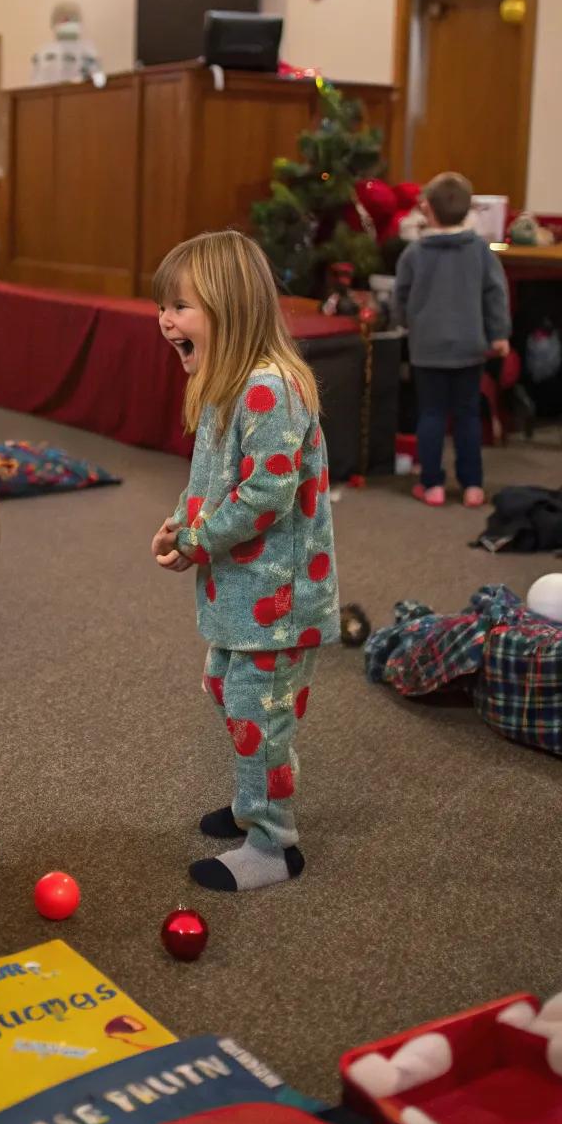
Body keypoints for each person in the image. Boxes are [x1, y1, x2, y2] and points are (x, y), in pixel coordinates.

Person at [152, 230, 339, 893]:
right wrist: (181, 526)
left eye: (180, 307)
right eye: (162, 306)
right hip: (239, 592)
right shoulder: (224, 386)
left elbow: (265, 494)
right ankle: (252, 799)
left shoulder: (269, 389)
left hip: (278, 600)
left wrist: (198, 541)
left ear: (229, 309)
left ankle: (272, 845)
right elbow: (211, 480)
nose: (165, 320)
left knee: (259, 715)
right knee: (225, 691)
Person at [394, 171, 510, 508]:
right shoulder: (481, 251)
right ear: (469, 209)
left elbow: (401, 297)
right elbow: (495, 294)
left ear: (426, 208)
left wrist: (402, 322)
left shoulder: (414, 253)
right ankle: (473, 486)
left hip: (427, 348)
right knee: (467, 415)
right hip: (469, 347)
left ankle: (432, 486)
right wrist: (499, 334)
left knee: (430, 414)